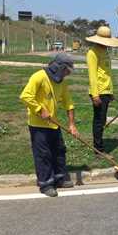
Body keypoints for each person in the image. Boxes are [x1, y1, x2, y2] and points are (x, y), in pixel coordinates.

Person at [19, 53, 78, 197]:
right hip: (38, 124)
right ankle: (45, 184)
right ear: (59, 67)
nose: (68, 74)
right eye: (67, 70)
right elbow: (25, 96)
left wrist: (72, 124)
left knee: (59, 151)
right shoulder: (39, 77)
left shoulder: (62, 82)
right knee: (43, 155)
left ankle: (59, 179)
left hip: (54, 123)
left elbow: (69, 103)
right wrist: (40, 110)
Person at [85, 25, 118, 153]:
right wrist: (95, 95)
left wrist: (110, 92)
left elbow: (106, 73)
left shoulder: (105, 52)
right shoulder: (92, 53)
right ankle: (98, 149)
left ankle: (99, 144)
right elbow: (93, 76)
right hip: (98, 92)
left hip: (106, 91)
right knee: (99, 121)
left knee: (102, 120)